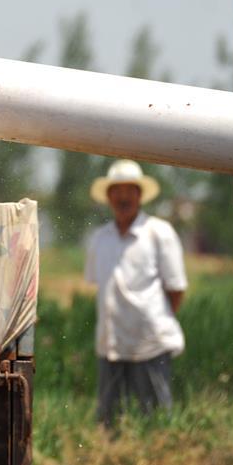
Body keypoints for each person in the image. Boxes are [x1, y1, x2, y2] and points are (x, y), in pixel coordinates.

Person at [84, 159, 188, 429]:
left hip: (150, 343)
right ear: (109, 197)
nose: (123, 197)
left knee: (155, 420)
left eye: (129, 191)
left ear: (139, 195)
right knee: (109, 422)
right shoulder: (100, 238)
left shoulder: (159, 233)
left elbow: (176, 289)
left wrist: (155, 319)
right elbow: (97, 285)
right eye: (117, 191)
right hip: (111, 342)